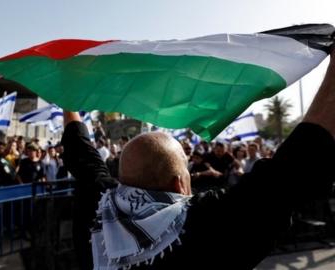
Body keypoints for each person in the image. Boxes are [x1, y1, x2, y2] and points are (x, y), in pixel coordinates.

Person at [60, 49, 335, 269]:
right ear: (181, 185)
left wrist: (66, 96)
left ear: (121, 180)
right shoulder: (208, 229)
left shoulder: (96, 210)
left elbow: (80, 152)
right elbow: (295, 171)